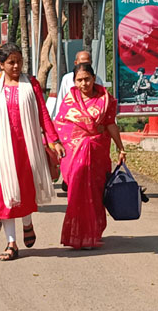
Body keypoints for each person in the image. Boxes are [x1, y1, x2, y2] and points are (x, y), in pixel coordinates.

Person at [0, 43, 65, 261]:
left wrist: (55, 140)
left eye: (19, 61)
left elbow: (43, 113)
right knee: (7, 192)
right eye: (11, 62)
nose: (16, 66)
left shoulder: (31, 84)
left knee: (25, 190)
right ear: (1, 64)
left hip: (27, 146)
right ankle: (11, 243)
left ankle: (27, 223)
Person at [54, 63, 126, 249]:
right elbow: (61, 126)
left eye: (87, 79)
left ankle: (93, 233)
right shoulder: (70, 100)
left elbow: (110, 124)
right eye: (79, 80)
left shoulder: (105, 99)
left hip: (97, 154)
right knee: (76, 193)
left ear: (94, 78)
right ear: (74, 81)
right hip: (74, 155)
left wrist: (120, 148)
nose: (83, 84)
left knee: (95, 193)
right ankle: (76, 236)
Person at [51, 51, 104, 118]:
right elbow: (62, 101)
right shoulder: (67, 79)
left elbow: (102, 102)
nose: (83, 83)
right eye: (79, 80)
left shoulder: (97, 80)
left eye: (87, 63)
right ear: (75, 63)